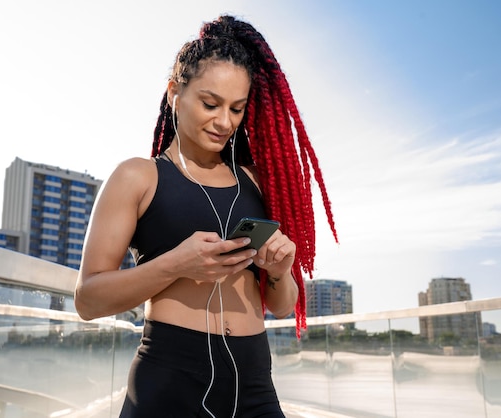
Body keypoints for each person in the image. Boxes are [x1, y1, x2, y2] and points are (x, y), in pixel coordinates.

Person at [74, 14, 338, 418]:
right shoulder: (137, 177)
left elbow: (281, 306)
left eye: (237, 109)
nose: (224, 122)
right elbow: (88, 300)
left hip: (255, 384)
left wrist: (281, 271)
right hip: (169, 379)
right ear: (174, 93)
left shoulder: (257, 182)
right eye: (210, 103)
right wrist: (176, 264)